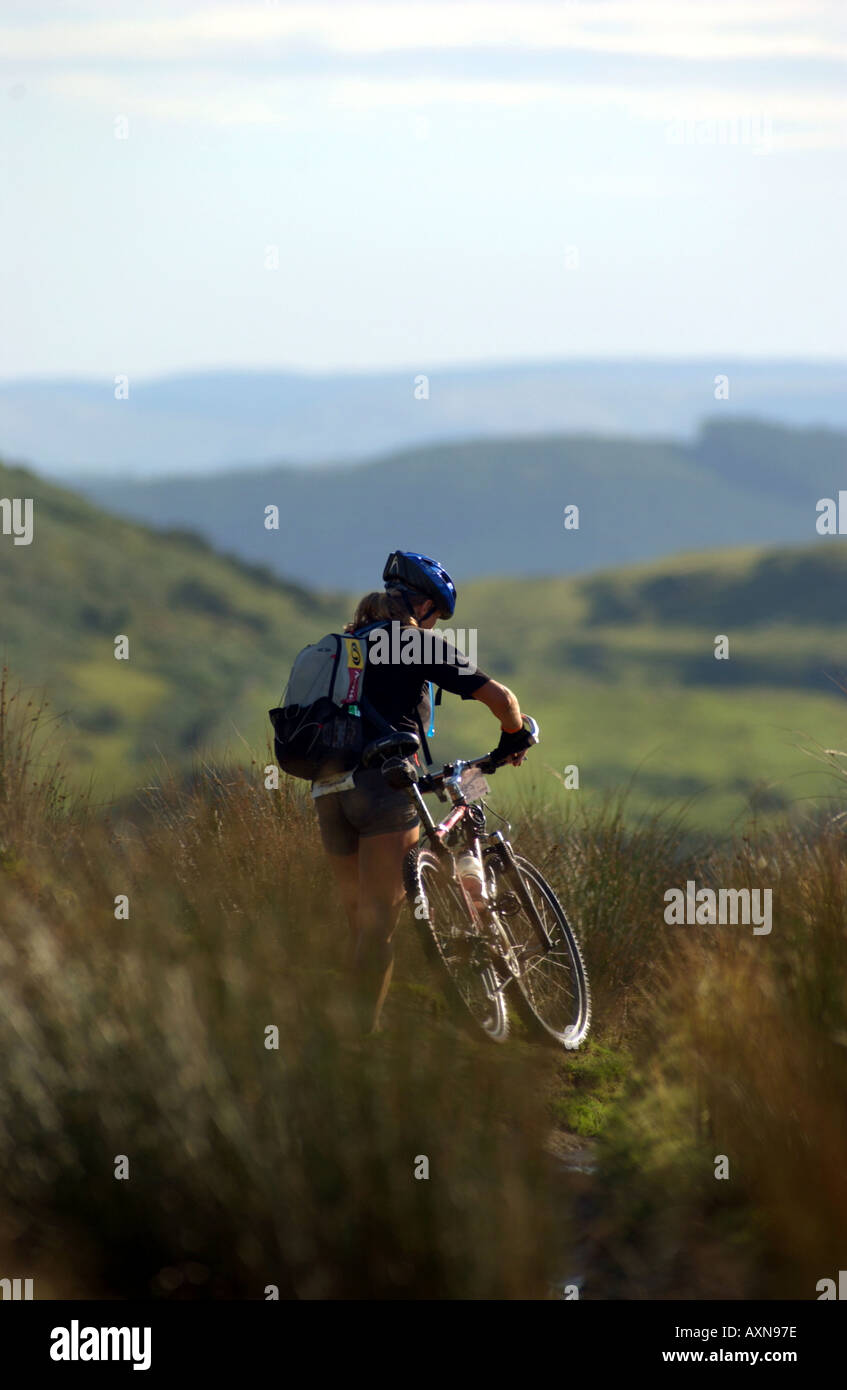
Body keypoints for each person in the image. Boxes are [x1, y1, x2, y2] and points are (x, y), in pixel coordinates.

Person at [312, 550, 533, 1035]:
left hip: (329, 793)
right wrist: (515, 735)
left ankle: (336, 1043)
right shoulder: (411, 642)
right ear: (425, 608)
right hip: (384, 789)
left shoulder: (345, 645)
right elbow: (503, 700)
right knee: (379, 928)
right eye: (437, 617)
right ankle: (358, 1047)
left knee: (359, 926)